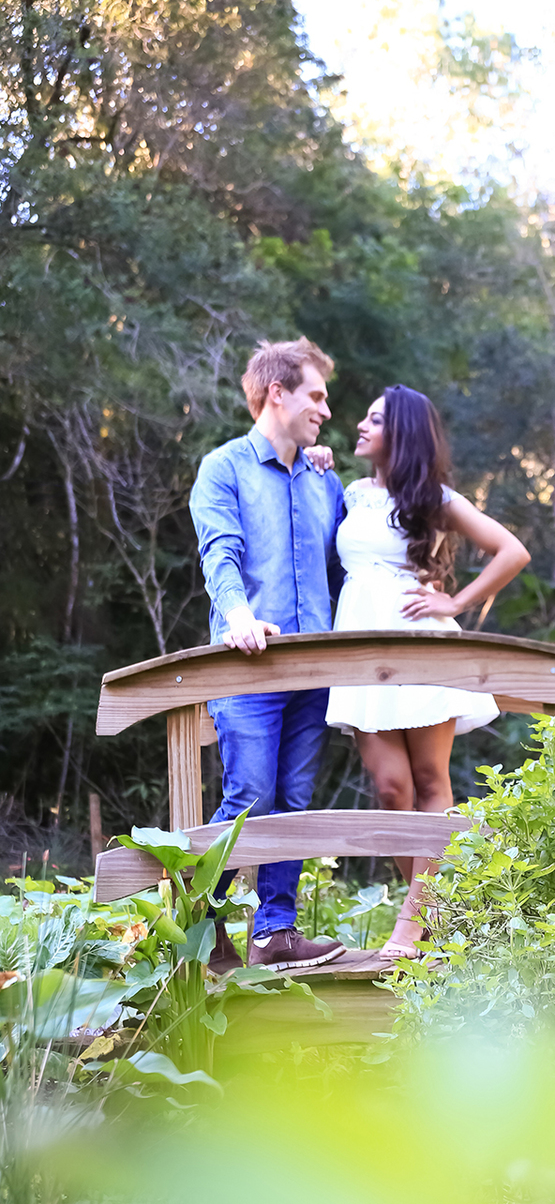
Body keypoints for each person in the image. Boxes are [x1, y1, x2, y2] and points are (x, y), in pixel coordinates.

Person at [328, 384, 530, 959]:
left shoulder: (434, 498)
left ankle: (410, 927)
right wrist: (317, 461)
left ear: (403, 433)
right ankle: (440, 907)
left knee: (430, 782)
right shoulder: (351, 492)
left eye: (374, 420)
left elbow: (511, 551)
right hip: (361, 650)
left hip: (419, 644)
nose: (360, 427)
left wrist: (455, 603)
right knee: (391, 789)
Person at [189, 337, 348, 974]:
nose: (326, 410)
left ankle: (275, 934)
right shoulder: (223, 467)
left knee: (294, 798)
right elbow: (219, 554)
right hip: (249, 662)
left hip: (318, 668)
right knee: (248, 796)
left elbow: (348, 566)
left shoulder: (325, 478)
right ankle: (198, 931)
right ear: (276, 394)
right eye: (316, 395)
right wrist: (239, 617)